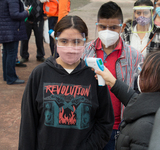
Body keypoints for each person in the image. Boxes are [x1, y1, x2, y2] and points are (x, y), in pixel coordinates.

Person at [18, 15, 114, 150]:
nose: (70, 47)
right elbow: (28, 123)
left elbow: (105, 122)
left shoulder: (95, 75)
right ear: (56, 42)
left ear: (85, 42)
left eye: (76, 41)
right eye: (63, 41)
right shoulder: (39, 74)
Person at [95, 51, 160, 150]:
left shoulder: (144, 128)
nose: (140, 74)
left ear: (155, 82)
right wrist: (113, 82)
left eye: (144, 72)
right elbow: (143, 104)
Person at [82, 1, 143, 149]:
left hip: (119, 127)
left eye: (113, 27)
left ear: (122, 27)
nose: (107, 31)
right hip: (91, 125)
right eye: (103, 27)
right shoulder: (85, 52)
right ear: (97, 26)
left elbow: (139, 93)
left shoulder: (134, 57)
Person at [0, 0, 29, 84]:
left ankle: (7, 76)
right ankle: (11, 78)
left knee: (6, 53)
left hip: (5, 29)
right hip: (11, 30)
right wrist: (26, 13)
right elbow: (15, 14)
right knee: (11, 54)